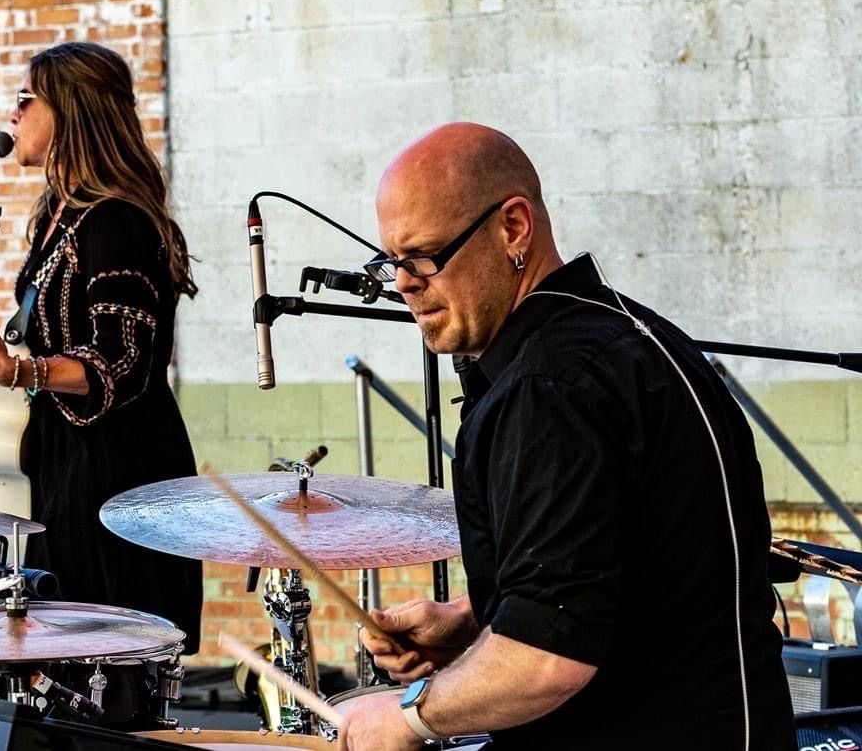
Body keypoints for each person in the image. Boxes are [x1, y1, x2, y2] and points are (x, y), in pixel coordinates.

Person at [340, 123, 794, 750]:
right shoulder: (634, 335)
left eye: (424, 256)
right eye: (392, 261)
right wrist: (476, 623)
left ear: (513, 228)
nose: (403, 283)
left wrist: (407, 715)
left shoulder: (549, 388)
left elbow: (547, 658)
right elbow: (634, 569)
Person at [0, 42, 203, 658]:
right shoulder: (57, 218)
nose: (13, 113)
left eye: (26, 99)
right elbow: (52, 348)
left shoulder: (116, 221)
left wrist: (15, 369)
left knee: (101, 668)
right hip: (58, 470)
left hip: (112, 479)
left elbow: (121, 362)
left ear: (71, 111)